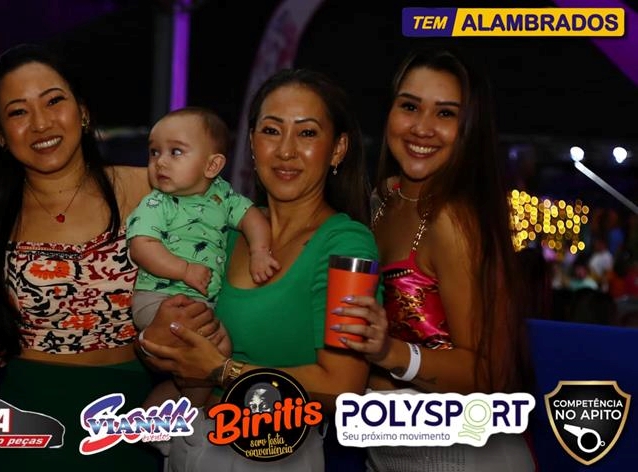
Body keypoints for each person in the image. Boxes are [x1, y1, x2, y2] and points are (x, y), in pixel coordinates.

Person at [0, 44, 216, 470]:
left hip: (132, 420)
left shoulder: (153, 194)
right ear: (1, 136)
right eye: (18, 112)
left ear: (82, 112)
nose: (41, 123)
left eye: (54, 101)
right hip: (26, 427)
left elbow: (223, 269)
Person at [140, 68, 376, 471]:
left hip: (274, 454)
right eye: (271, 131)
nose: (285, 150)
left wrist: (221, 370)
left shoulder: (347, 245)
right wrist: (158, 339)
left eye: (306, 133)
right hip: (191, 449)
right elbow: (174, 349)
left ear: (337, 149)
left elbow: (343, 388)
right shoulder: (225, 230)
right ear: (251, 143)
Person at [331, 48, 536, 471]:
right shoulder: (382, 200)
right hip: (387, 451)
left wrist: (390, 352)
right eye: (409, 106)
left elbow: (490, 375)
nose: (422, 127)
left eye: (445, 113)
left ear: (469, 129)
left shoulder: (453, 220)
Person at [128, 106, 279, 407]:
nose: (160, 162)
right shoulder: (157, 203)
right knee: (202, 349)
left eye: (175, 152)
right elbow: (142, 246)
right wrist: (184, 270)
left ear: (212, 165)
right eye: (154, 152)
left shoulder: (223, 196)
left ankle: (180, 408)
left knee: (219, 349)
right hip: (159, 299)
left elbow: (252, 218)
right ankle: (184, 411)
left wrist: (260, 252)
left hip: (200, 304)